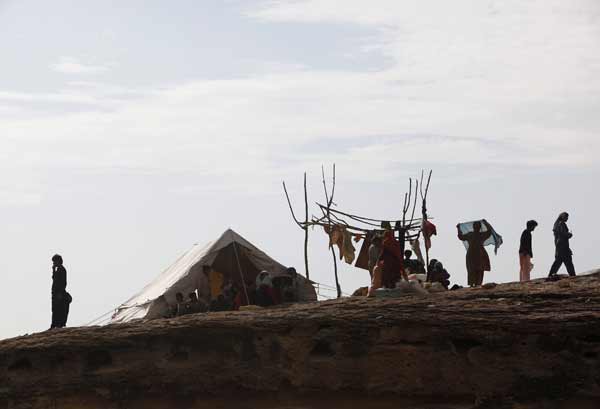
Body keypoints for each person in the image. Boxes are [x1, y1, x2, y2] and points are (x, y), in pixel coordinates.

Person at [457, 220, 493, 287]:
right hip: (477, 254)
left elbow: (460, 236)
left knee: (475, 269)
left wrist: (458, 228)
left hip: (475, 254)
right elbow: (489, 231)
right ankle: (475, 284)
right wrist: (486, 223)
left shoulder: (472, 234)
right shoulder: (479, 235)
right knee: (474, 269)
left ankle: (475, 285)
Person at [548, 212, 576, 278]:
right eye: (566, 217)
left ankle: (550, 276)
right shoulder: (561, 224)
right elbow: (563, 234)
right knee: (567, 262)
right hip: (563, 247)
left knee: (558, 262)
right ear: (562, 216)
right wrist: (569, 235)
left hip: (560, 247)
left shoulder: (557, 224)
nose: (567, 218)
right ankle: (573, 276)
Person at [50, 254, 72, 329]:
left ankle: (57, 325)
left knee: (58, 309)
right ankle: (54, 325)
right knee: (54, 309)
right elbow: (54, 279)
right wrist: (53, 270)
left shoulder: (62, 269)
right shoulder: (58, 269)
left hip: (59, 293)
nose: (53, 263)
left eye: (54, 261)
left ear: (58, 261)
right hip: (55, 293)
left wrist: (60, 293)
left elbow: (63, 282)